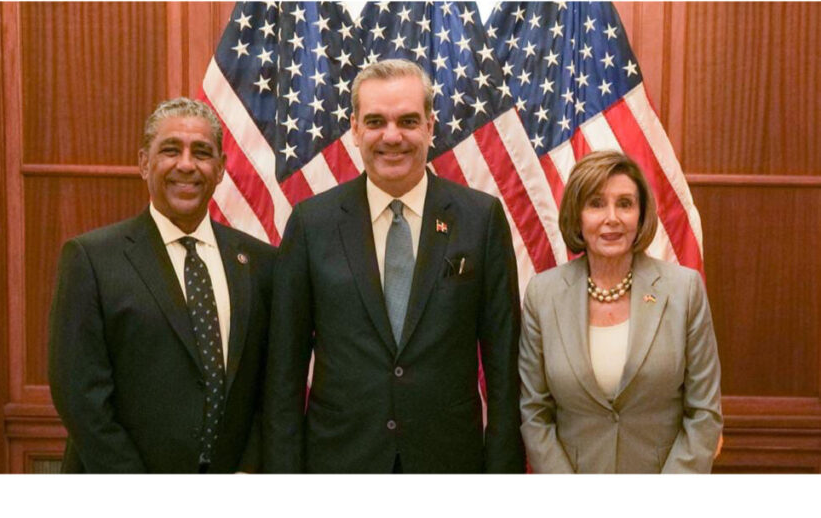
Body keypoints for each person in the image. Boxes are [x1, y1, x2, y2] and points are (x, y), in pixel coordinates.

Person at [264, 59, 524, 473]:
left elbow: (504, 366)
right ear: (354, 128)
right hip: (340, 461)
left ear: (430, 126)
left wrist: (502, 472)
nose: (392, 136)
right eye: (375, 121)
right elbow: (284, 371)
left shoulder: (480, 219)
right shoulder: (312, 223)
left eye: (407, 121)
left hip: (449, 462)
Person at [48, 97, 276, 473]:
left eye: (202, 153)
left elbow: (270, 384)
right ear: (144, 163)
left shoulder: (261, 263)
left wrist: (248, 470)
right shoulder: (91, 259)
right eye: (170, 150)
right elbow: (79, 396)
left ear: (220, 169)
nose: (186, 165)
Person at [519, 150, 722, 473]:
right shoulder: (543, 295)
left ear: (641, 216)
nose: (611, 217)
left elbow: (704, 413)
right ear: (577, 214)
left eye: (625, 204)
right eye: (596, 203)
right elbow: (534, 412)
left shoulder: (684, 290)